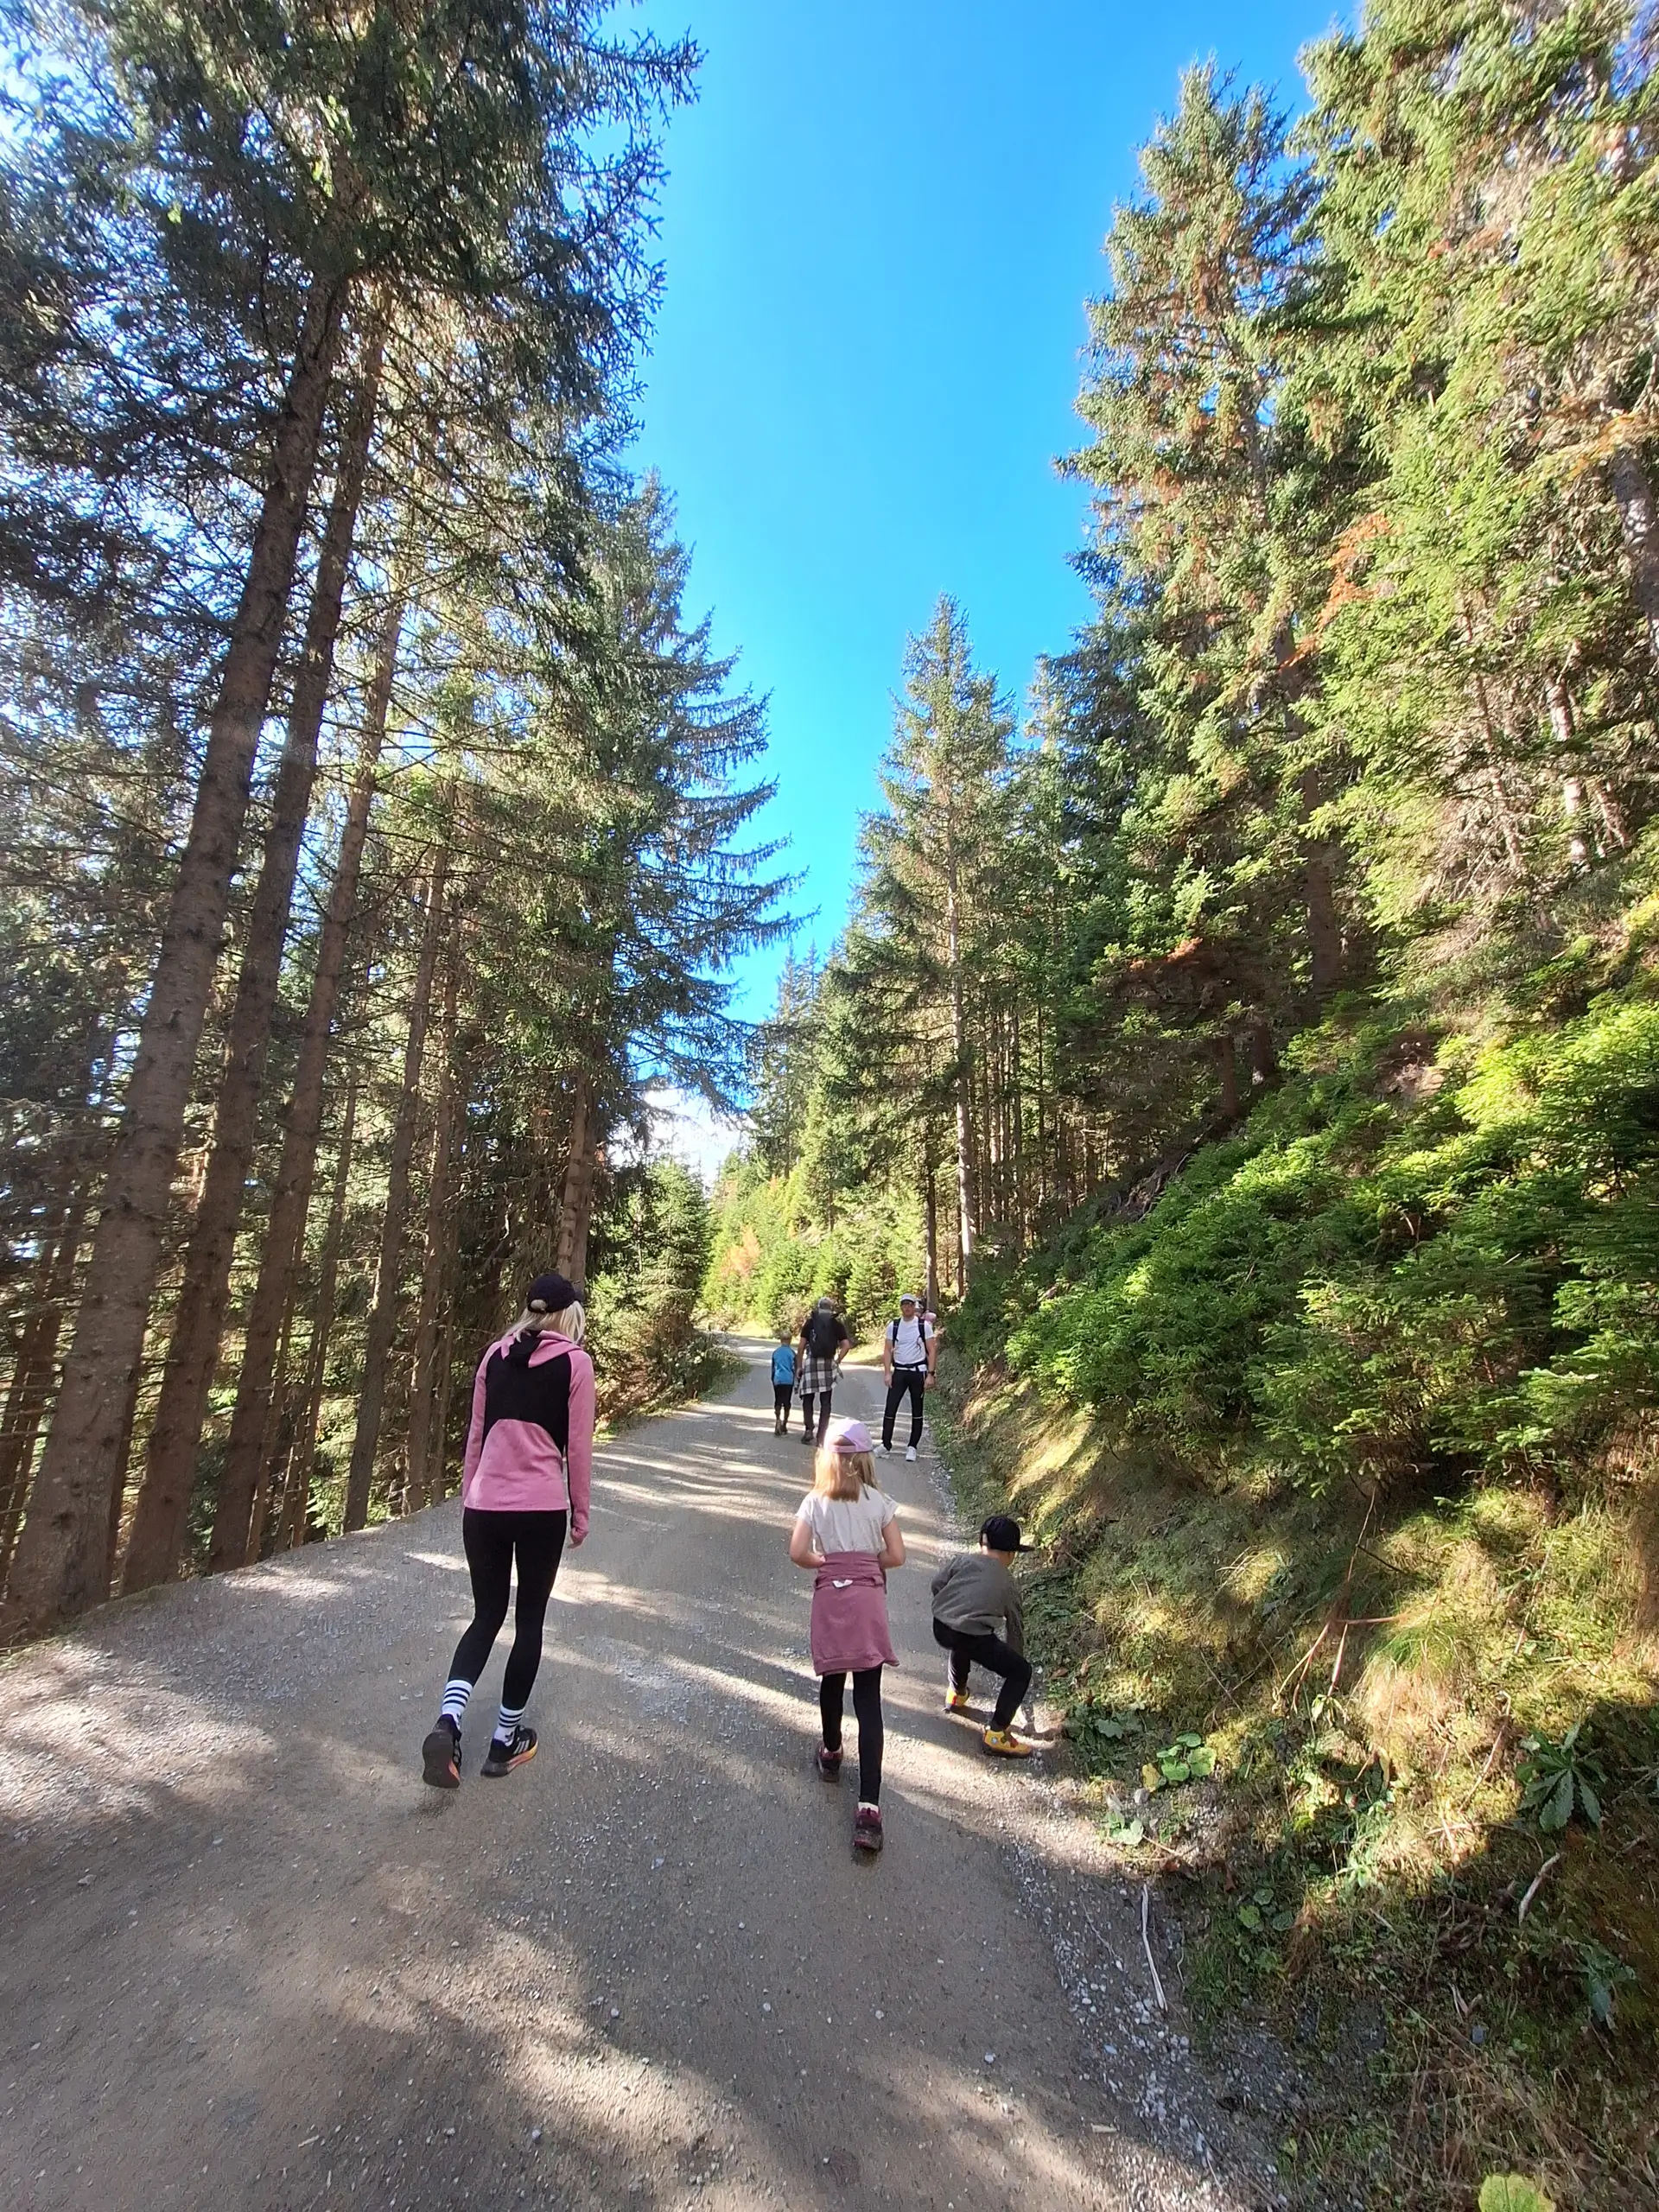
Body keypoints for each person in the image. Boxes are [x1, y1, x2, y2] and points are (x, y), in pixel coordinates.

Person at [420, 1270, 594, 1789]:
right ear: (568, 1317)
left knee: (485, 1616)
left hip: (485, 1509)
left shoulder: (493, 1356)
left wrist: (471, 1494)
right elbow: (579, 1448)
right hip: (540, 1510)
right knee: (530, 1621)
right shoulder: (576, 1364)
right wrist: (580, 1513)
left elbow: (477, 1433)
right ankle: (504, 1741)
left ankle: (448, 1724)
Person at [788, 1416, 904, 1853]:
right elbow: (897, 1554)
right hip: (868, 1600)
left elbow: (798, 1551)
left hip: (831, 1600)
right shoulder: (879, 1502)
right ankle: (869, 1807)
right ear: (862, 1461)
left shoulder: (814, 1502)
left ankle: (833, 1753)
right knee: (869, 1698)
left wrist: (826, 1563)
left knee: (832, 1680)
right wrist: (866, 1561)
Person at [931, 1514, 1035, 1759]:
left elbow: (937, 1583)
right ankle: (997, 1733)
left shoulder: (963, 1561)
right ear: (1012, 1554)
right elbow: (1016, 1627)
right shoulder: (1008, 1583)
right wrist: (1014, 1659)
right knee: (1021, 1671)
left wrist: (949, 1607)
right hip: (973, 1636)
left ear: (981, 1544)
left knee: (961, 1640)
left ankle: (956, 1693)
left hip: (942, 1626)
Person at [878, 1291, 936, 1460]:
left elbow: (932, 1350)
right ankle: (885, 1444)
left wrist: (930, 1374)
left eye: (910, 1304)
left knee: (917, 1410)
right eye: (904, 1304)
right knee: (890, 1408)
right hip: (900, 1371)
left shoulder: (923, 1326)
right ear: (901, 1307)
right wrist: (887, 1372)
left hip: (918, 1371)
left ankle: (912, 1447)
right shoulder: (894, 1326)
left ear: (914, 1306)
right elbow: (888, 1350)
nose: (907, 1307)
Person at [796, 1294, 849, 1446]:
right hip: (828, 1363)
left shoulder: (811, 1323)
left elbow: (801, 1346)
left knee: (808, 1397)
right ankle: (821, 1437)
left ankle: (808, 1429)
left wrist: (799, 1366)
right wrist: (837, 1361)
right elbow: (846, 1345)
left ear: (818, 1308)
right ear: (831, 1309)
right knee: (826, 1402)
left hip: (812, 1362)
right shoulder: (836, 1324)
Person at [770, 1330, 797, 1434]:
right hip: (788, 1380)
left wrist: (773, 1379)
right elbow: (795, 1368)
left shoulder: (776, 1352)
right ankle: (784, 1424)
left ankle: (777, 1420)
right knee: (787, 1402)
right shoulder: (792, 1353)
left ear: (781, 1340)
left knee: (778, 1400)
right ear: (790, 1340)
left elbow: (773, 1368)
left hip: (778, 1379)